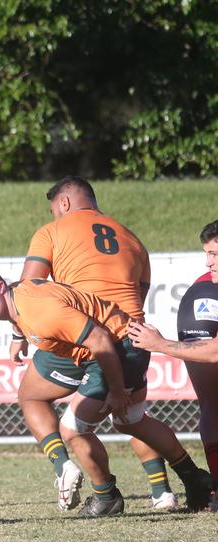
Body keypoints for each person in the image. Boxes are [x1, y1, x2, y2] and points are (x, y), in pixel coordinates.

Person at [0, 262, 212, 517]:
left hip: (119, 347)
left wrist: (117, 390)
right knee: (127, 420)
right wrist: (17, 336)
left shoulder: (39, 311)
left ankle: (106, 497)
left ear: (0, 287)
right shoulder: (17, 299)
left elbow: (99, 339)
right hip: (97, 348)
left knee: (74, 428)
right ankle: (195, 478)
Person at [12, 176, 183, 511]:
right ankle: (163, 493)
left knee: (32, 396)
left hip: (81, 337)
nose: (55, 215)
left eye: (54, 209)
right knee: (133, 416)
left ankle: (84, 480)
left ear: (63, 203)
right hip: (132, 337)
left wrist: (19, 335)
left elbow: (29, 288)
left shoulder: (51, 231)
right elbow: (139, 294)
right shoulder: (132, 238)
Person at [129, 218, 218, 508]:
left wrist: (160, 344)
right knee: (213, 403)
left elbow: (215, 352)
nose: (208, 262)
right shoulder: (206, 289)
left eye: (215, 254)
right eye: (206, 253)